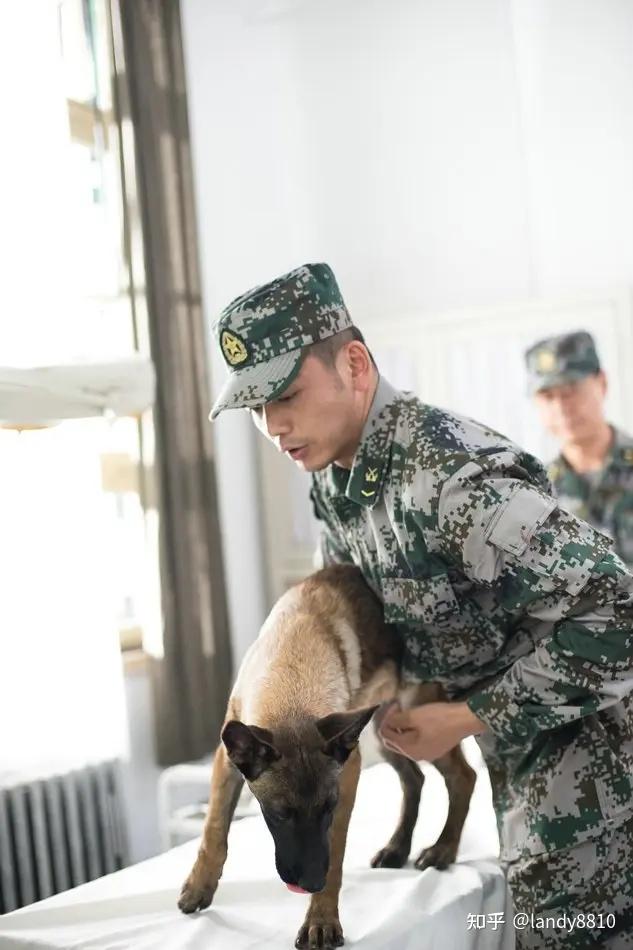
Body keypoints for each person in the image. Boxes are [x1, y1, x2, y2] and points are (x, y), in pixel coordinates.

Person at [210, 262, 633, 948]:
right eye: (254, 407)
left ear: (354, 364)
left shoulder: (448, 479)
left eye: (285, 394)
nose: (272, 424)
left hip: (583, 777)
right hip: (504, 758)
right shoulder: (336, 478)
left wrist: (464, 716)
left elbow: (617, 615)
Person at [526, 330, 633, 567]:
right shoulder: (534, 494)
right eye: (547, 395)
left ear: (602, 383)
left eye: (570, 389)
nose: (562, 408)